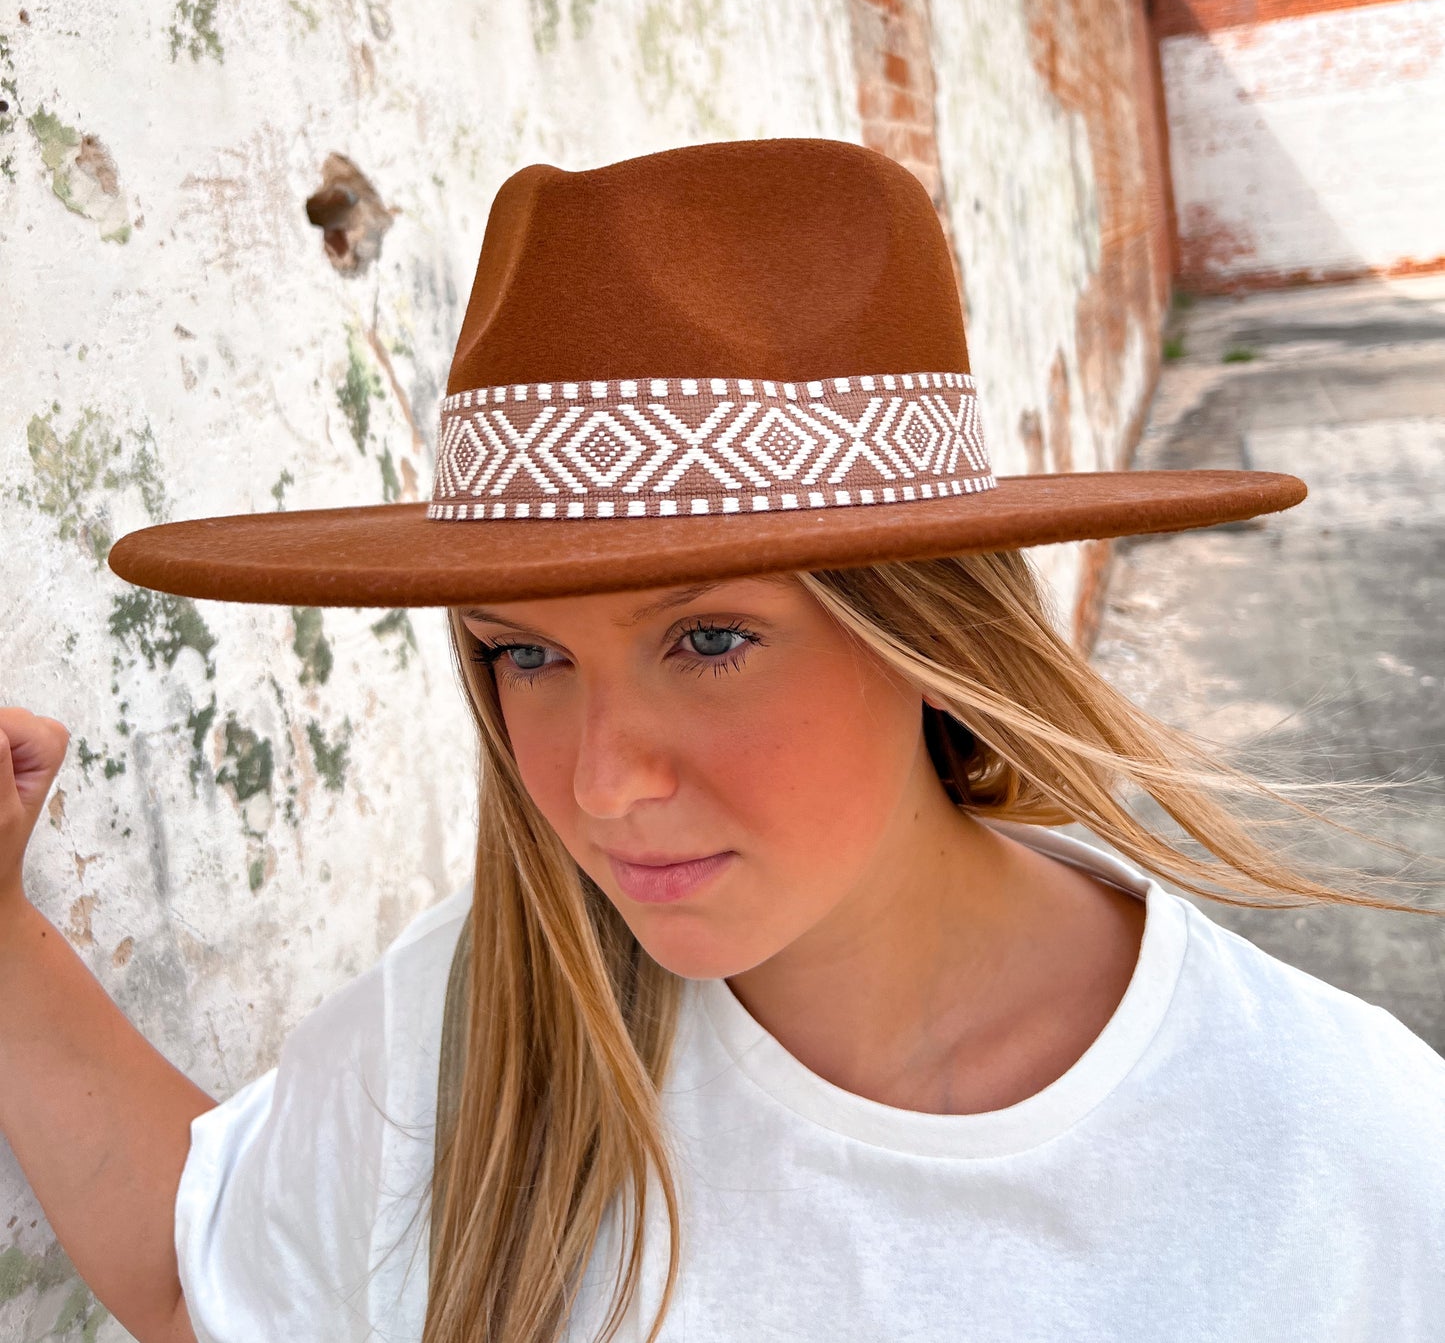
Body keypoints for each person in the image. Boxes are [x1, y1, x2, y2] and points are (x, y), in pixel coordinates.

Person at [1, 138, 1441, 1343]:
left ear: (927, 637)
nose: (599, 780)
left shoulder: (1341, 1148)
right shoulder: (491, 1014)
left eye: (708, 639)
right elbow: (222, 1280)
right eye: (527, 655)